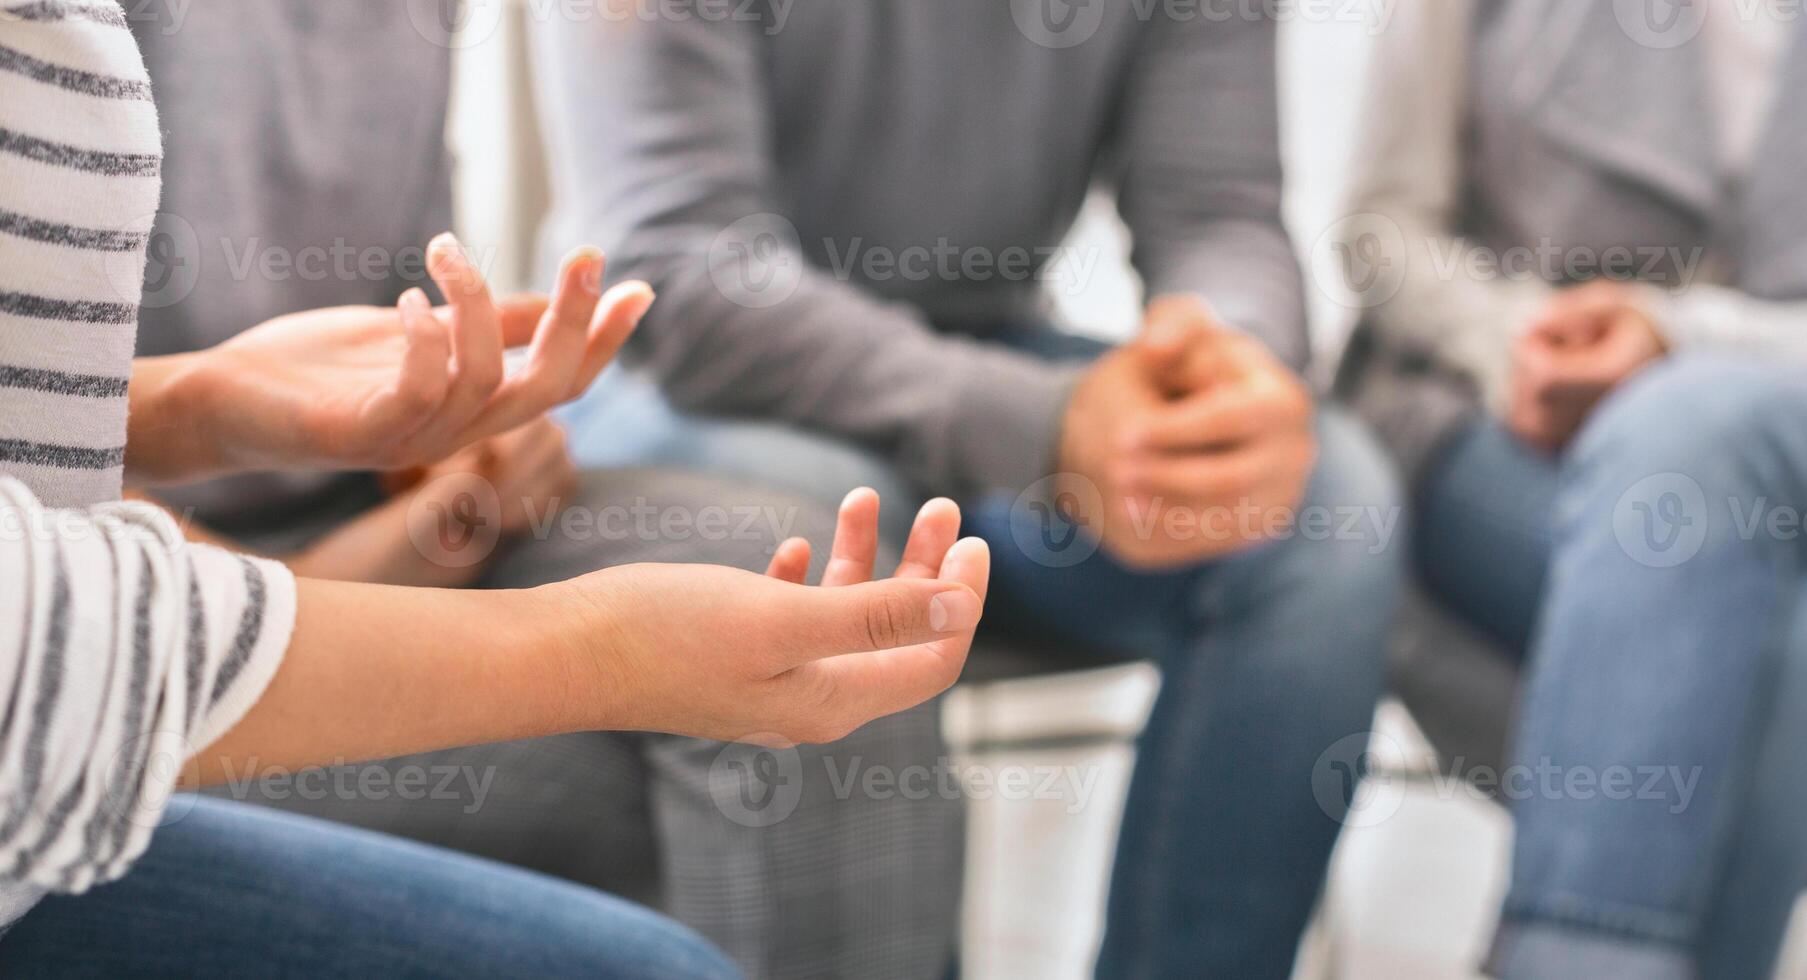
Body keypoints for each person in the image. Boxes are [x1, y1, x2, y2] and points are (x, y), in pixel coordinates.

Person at [0, 3, 989, 976]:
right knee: (696, 839)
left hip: (256, 536)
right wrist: (598, 645)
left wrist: (211, 403)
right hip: (123, 627)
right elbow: (44, 634)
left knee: (799, 591)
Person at [534, 3, 1406, 976]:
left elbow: (1216, 212)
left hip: (982, 363)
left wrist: (1223, 377)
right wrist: (1041, 426)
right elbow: (684, 277)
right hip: (683, 384)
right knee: (841, 544)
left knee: (1318, 507)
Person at [1339, 1, 1807, 976]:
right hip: (1512, 426)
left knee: (1692, 424)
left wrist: (1688, 339)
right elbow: (1383, 231)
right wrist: (1513, 340)